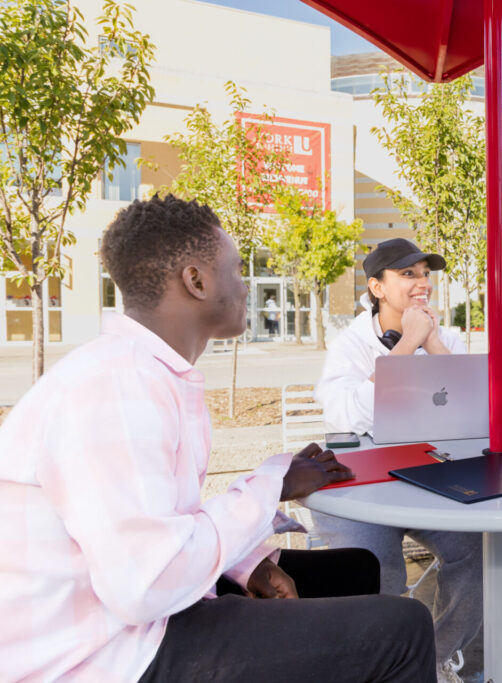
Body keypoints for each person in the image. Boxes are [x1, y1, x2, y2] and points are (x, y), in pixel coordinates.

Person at [0, 195, 434, 682]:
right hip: (102, 652)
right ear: (196, 281)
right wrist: (270, 486)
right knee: (404, 628)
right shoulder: (115, 387)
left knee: (353, 570)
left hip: (133, 608)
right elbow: (147, 583)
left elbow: (162, 522)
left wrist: (250, 563)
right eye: (235, 268)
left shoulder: (146, 372)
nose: (246, 284)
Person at [313, 237, 482, 683]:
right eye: (408, 274)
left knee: (478, 550)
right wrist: (407, 344)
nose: (422, 282)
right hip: (365, 482)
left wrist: (433, 344)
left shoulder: (443, 335)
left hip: (432, 473)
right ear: (376, 287)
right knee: (377, 567)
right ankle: (386, 667)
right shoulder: (347, 344)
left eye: (425, 273)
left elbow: (477, 409)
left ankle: (437, 657)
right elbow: (347, 414)